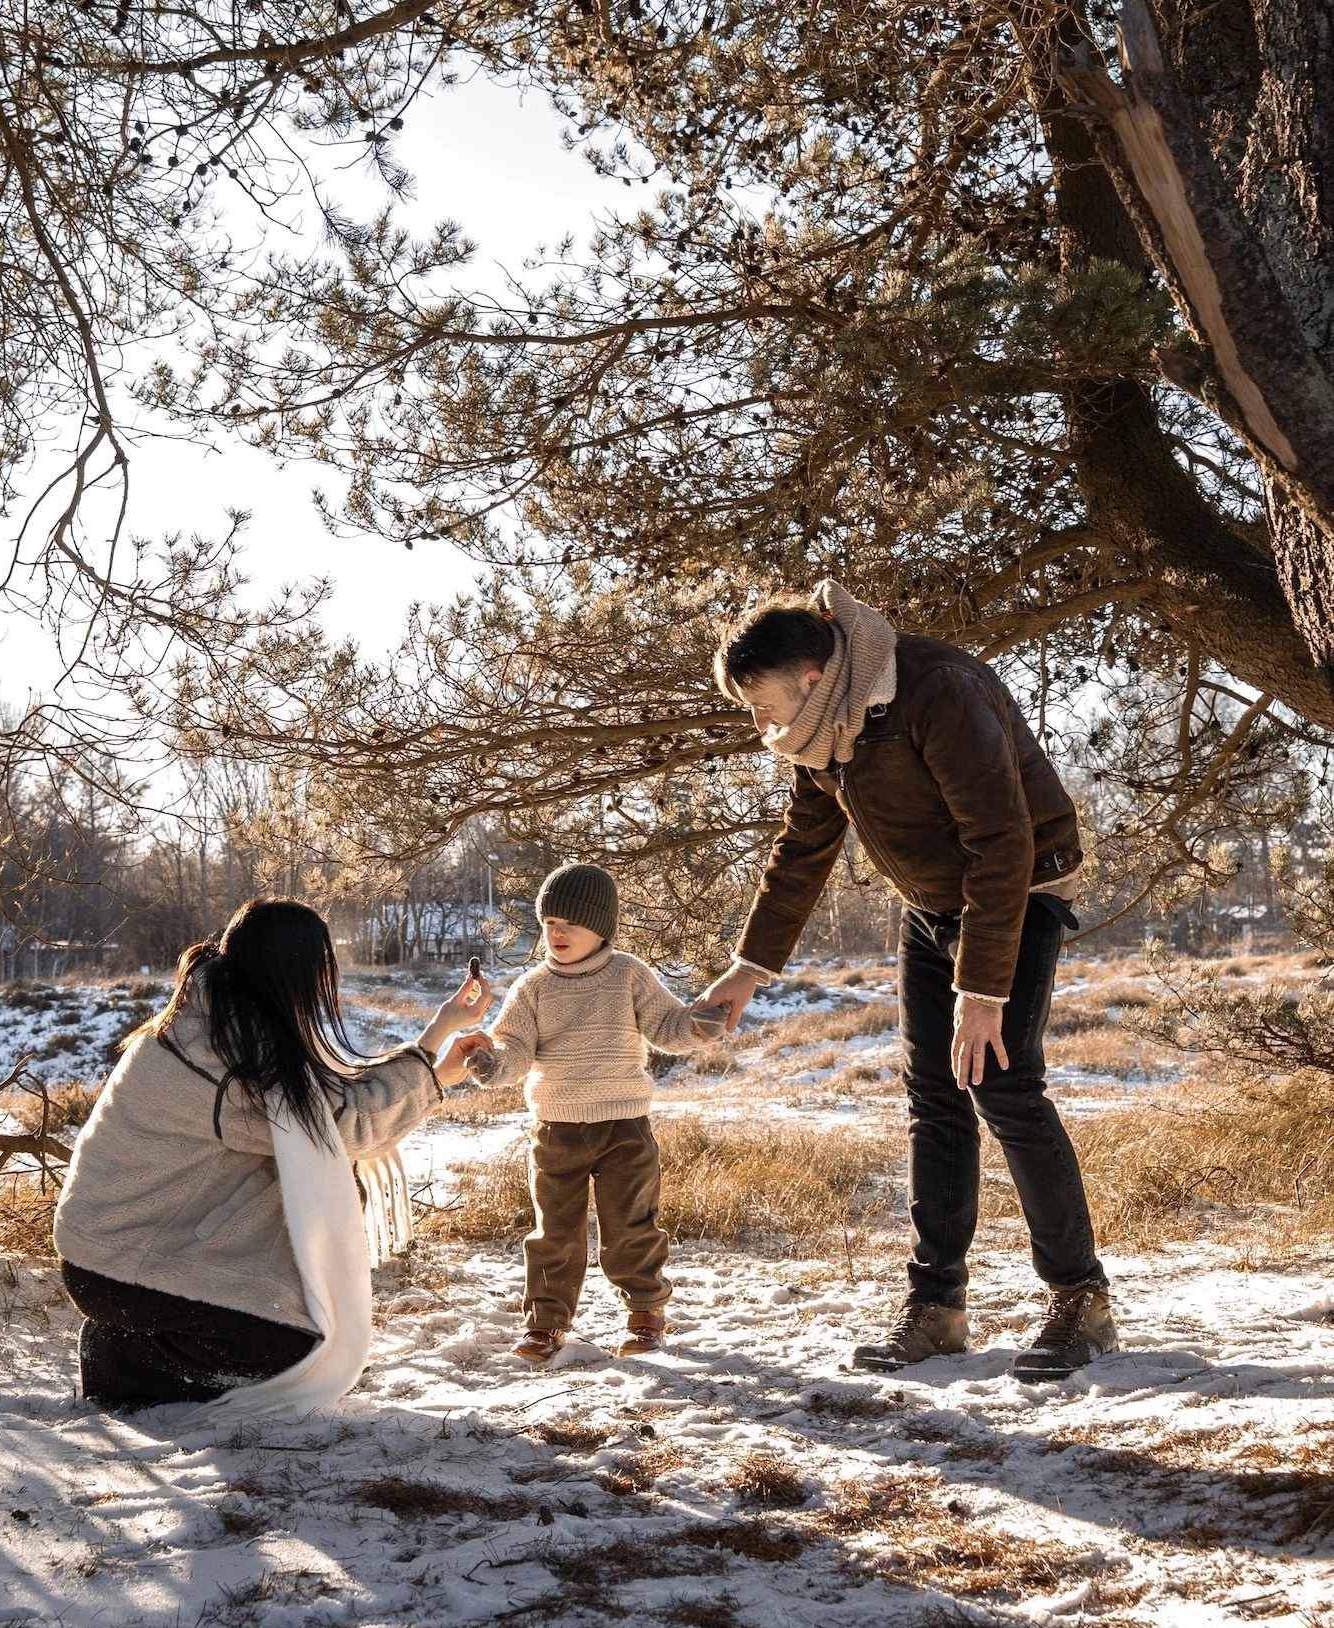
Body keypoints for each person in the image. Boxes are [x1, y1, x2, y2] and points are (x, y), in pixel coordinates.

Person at [703, 581, 1116, 1384]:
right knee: (934, 1095)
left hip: (1019, 886)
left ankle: (1082, 1299)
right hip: (932, 902)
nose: (759, 725)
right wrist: (749, 968)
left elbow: (1002, 840)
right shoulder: (823, 734)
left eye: (762, 705)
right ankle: (937, 1309)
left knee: (1002, 1084)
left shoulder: (935, 690)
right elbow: (802, 848)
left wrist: (982, 992)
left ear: (813, 678)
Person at [53, 898, 489, 1409]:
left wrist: (437, 1045)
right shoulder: (227, 1056)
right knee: (298, 1349)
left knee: (301, 1320)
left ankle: (145, 1339)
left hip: (117, 1251)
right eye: (320, 966)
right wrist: (434, 1053)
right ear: (289, 970)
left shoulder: (219, 1020)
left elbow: (330, 1104)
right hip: (120, 1267)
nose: (327, 981)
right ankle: (121, 1359)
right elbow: (346, 1128)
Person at [463, 861, 717, 1364]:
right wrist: (493, 1063)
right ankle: (546, 1323)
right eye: (550, 923)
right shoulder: (533, 987)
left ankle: (645, 1314)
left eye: (571, 923)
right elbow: (515, 1047)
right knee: (554, 1232)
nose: (557, 933)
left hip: (624, 1128)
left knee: (631, 1226)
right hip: (557, 1131)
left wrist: (699, 1024)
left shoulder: (628, 974)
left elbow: (667, 1026)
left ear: (600, 928)